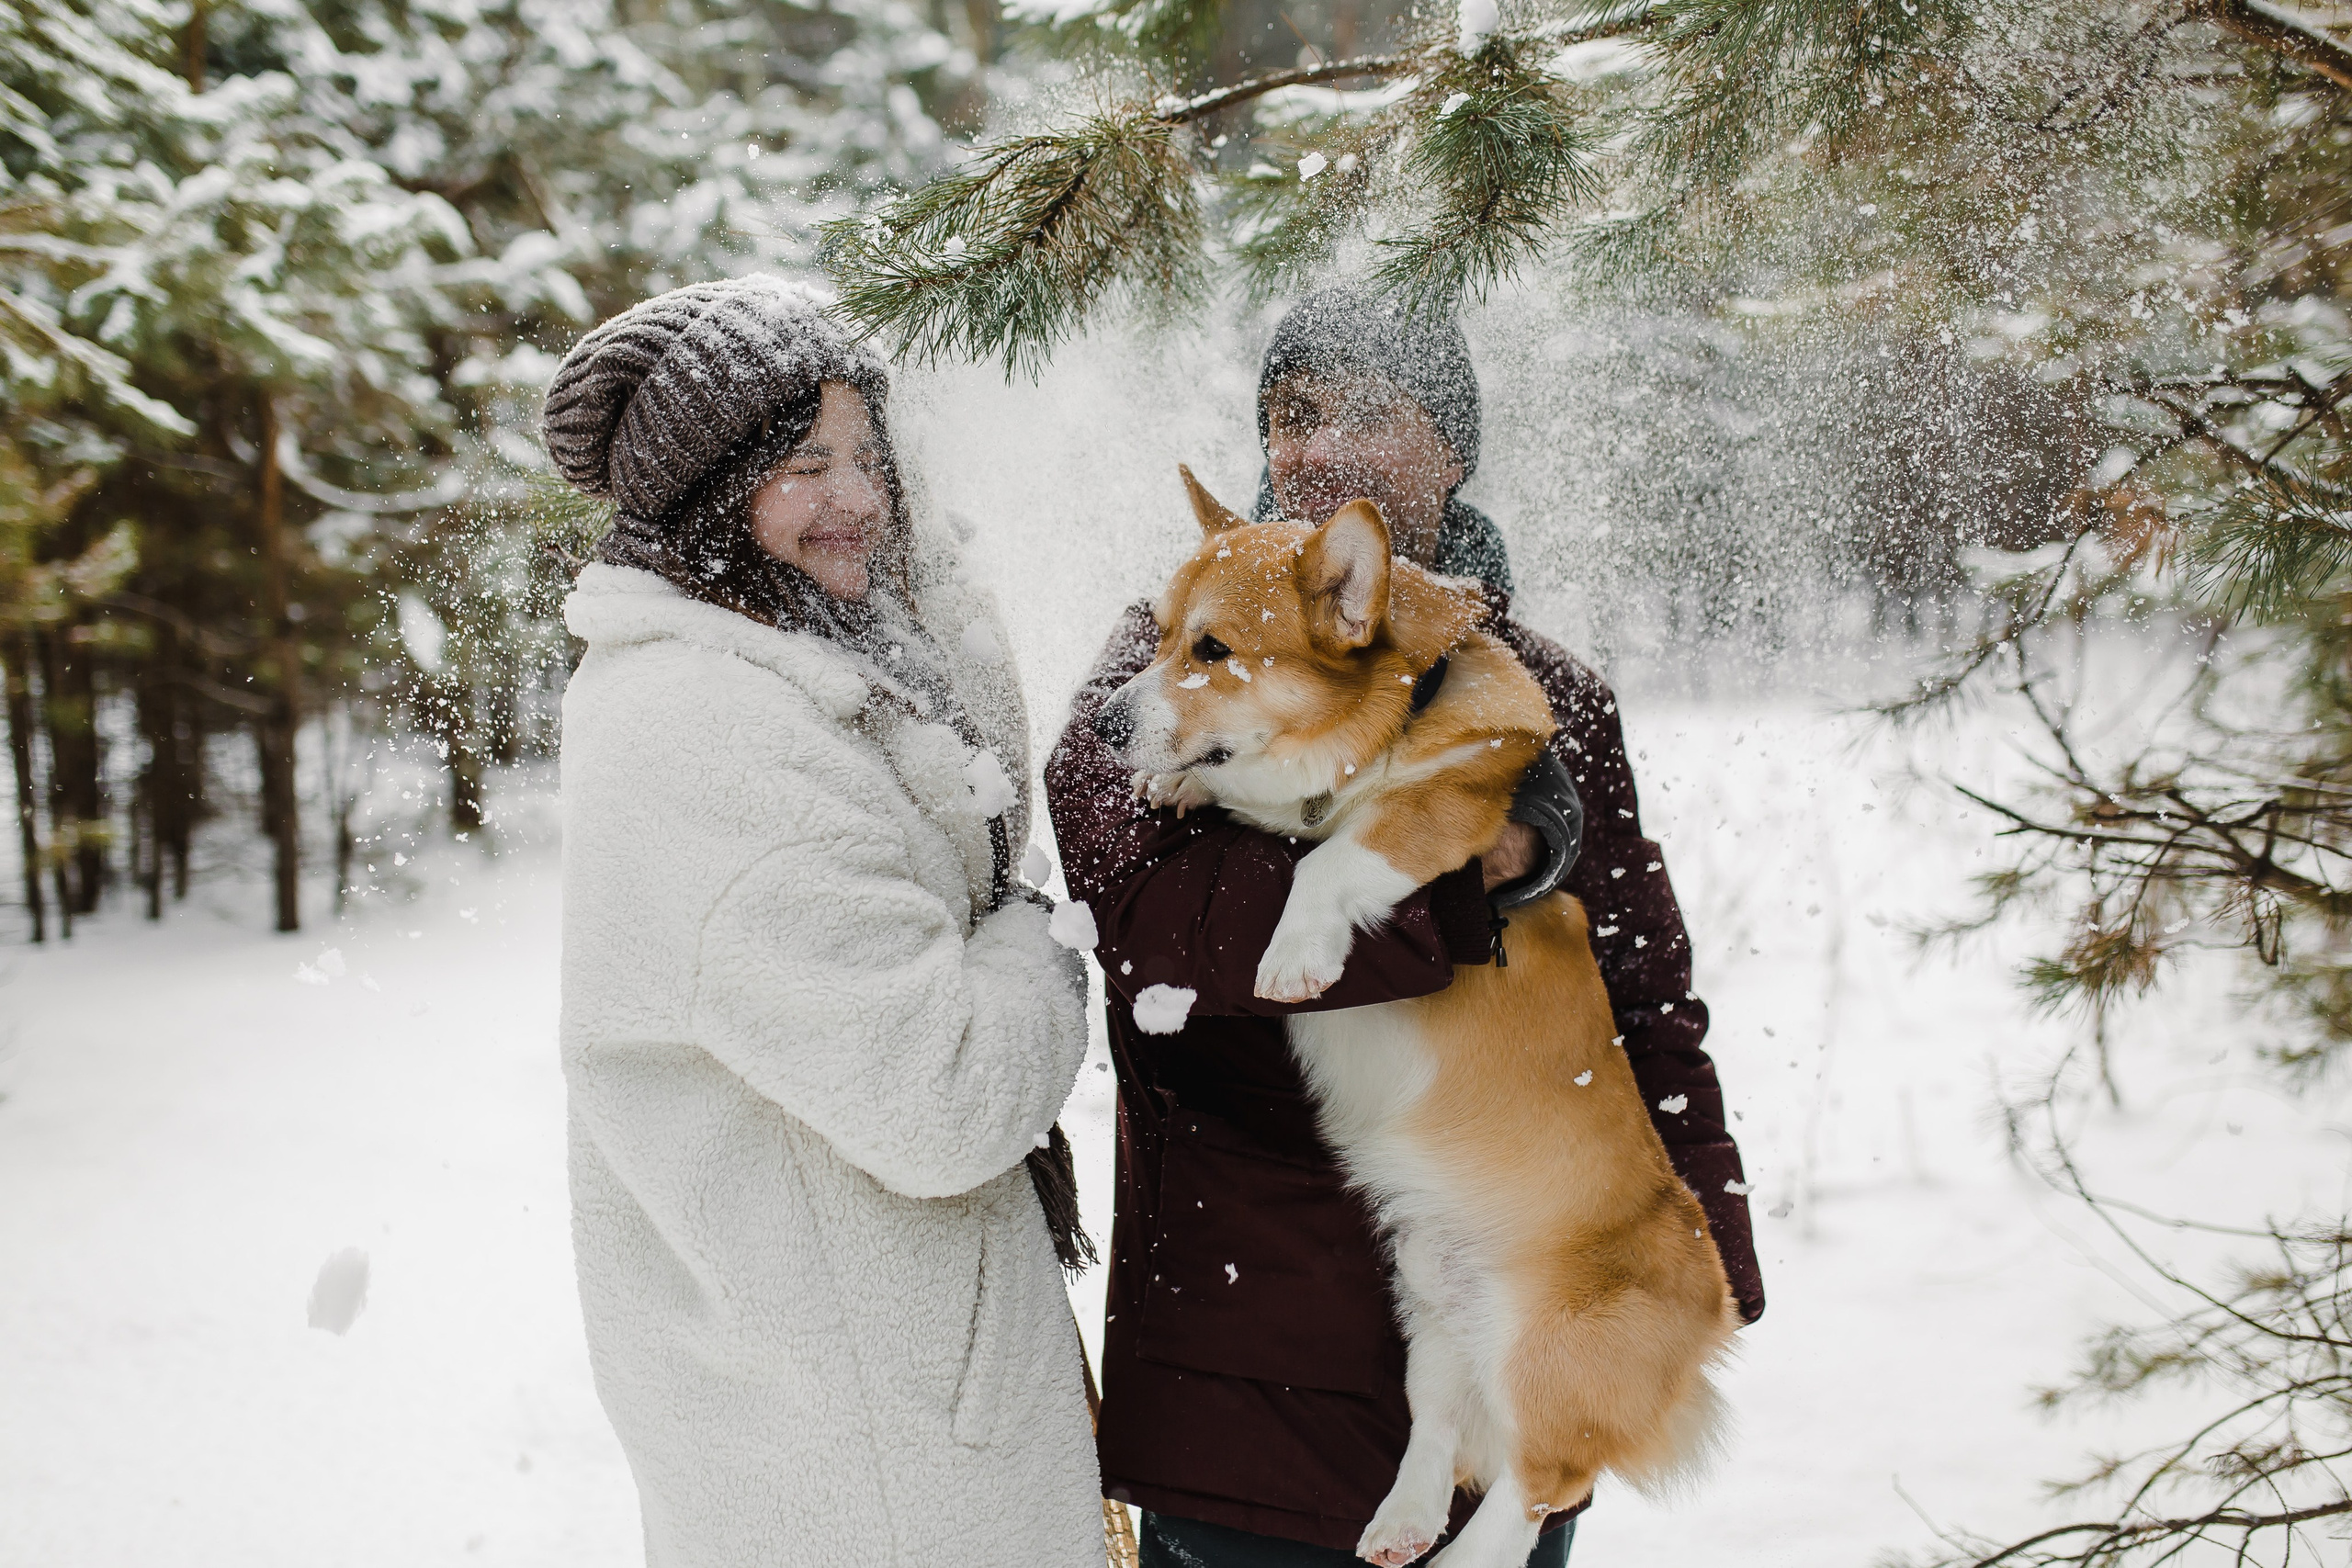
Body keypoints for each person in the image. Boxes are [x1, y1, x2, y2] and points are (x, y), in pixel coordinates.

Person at [1043, 285, 1767, 1568]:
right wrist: (1460, 866)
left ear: (1452, 449)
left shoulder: (1553, 704)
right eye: (1289, 414)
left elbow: (1645, 1007)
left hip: (1504, 1376)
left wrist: (1689, 1285)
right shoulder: (1161, 668)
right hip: (1248, 1388)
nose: (1314, 449)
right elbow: (1159, 925)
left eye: (1366, 412)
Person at [546, 276, 1100, 1568]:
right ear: (710, 491)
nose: (858, 497)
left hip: (851, 1407)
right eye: (805, 464)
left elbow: (969, 781)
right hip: (868, 1465)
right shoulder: (714, 734)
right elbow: (948, 1097)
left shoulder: (784, 655)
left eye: (868, 456)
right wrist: (1038, 942)